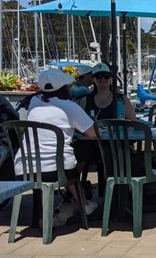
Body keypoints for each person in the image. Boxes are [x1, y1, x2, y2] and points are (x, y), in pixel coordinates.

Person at [15, 69, 98, 218]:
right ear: (64, 87)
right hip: (56, 168)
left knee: (61, 159)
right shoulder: (69, 106)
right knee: (72, 161)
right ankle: (83, 204)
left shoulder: (34, 102)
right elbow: (93, 133)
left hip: (25, 167)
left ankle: (46, 211)